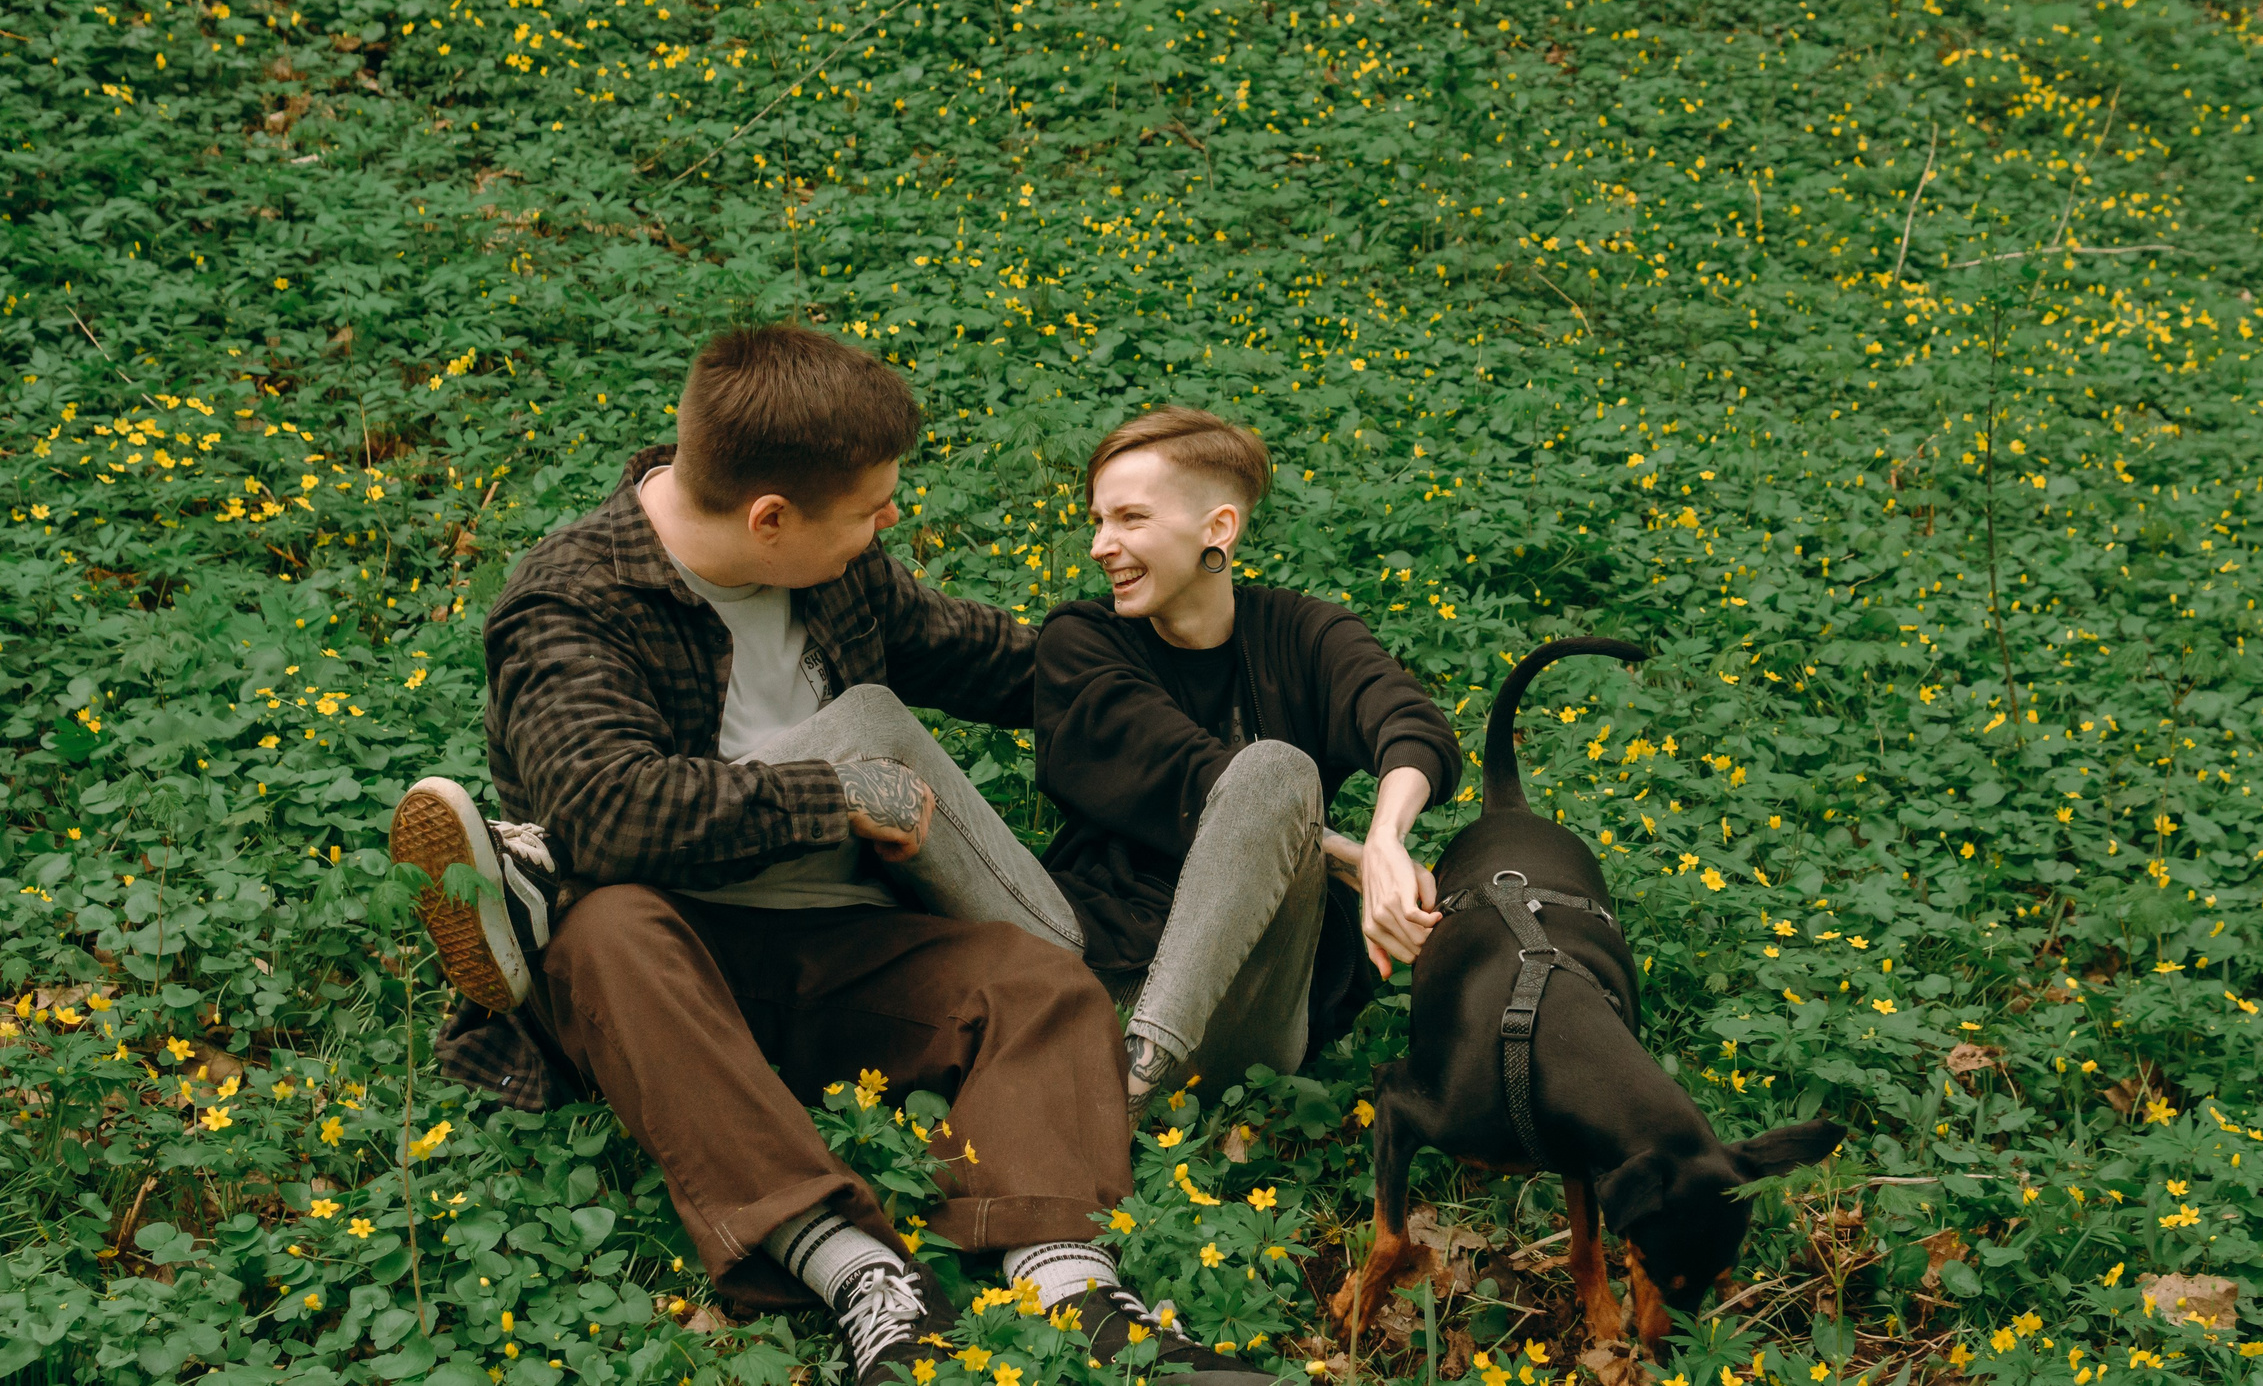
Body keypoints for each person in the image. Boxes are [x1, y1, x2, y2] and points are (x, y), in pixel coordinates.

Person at [391, 327, 1267, 1386]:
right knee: (609, 927)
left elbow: (998, 662)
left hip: (844, 937)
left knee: (1041, 984)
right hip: (672, 958)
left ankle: (1067, 1275)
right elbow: (609, 811)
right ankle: (859, 1273)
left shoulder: (836, 571)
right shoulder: (574, 603)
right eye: (869, 507)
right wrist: (838, 789)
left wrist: (1209, 716)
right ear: (771, 519)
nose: (890, 520)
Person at [1035, 408, 1464, 1115]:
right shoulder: (1081, 641)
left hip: (1243, 1010)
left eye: (1130, 519)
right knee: (1272, 774)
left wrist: (1387, 837)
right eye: (1098, 520)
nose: (1100, 545)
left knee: (1277, 771)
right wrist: (1342, 853)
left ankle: (1125, 1095)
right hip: (1079, 959)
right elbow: (1193, 778)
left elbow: (1410, 724)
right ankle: (1119, 1073)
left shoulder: (1304, 633)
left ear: (1219, 529)